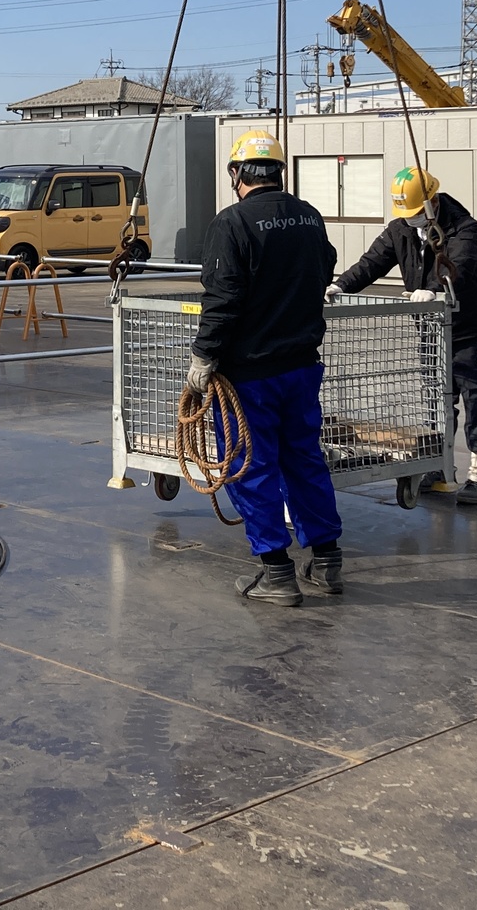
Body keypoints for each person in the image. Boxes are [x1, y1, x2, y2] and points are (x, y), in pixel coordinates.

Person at [188, 131, 343, 608]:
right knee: (304, 460)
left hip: (249, 376)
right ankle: (327, 561)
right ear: (279, 171)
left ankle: (276, 573)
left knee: (250, 467)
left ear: (236, 174)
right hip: (301, 367)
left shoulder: (231, 223)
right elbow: (324, 268)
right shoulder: (310, 217)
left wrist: (204, 357)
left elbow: (222, 298)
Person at [331, 167, 477, 506]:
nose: (410, 219)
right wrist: (341, 285)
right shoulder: (401, 230)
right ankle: (440, 465)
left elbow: (459, 265)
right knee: (438, 403)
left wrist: (434, 289)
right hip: (431, 332)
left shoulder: (464, 228)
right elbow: (372, 262)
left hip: (467, 332)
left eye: (415, 212)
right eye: (405, 214)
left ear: (432, 202)